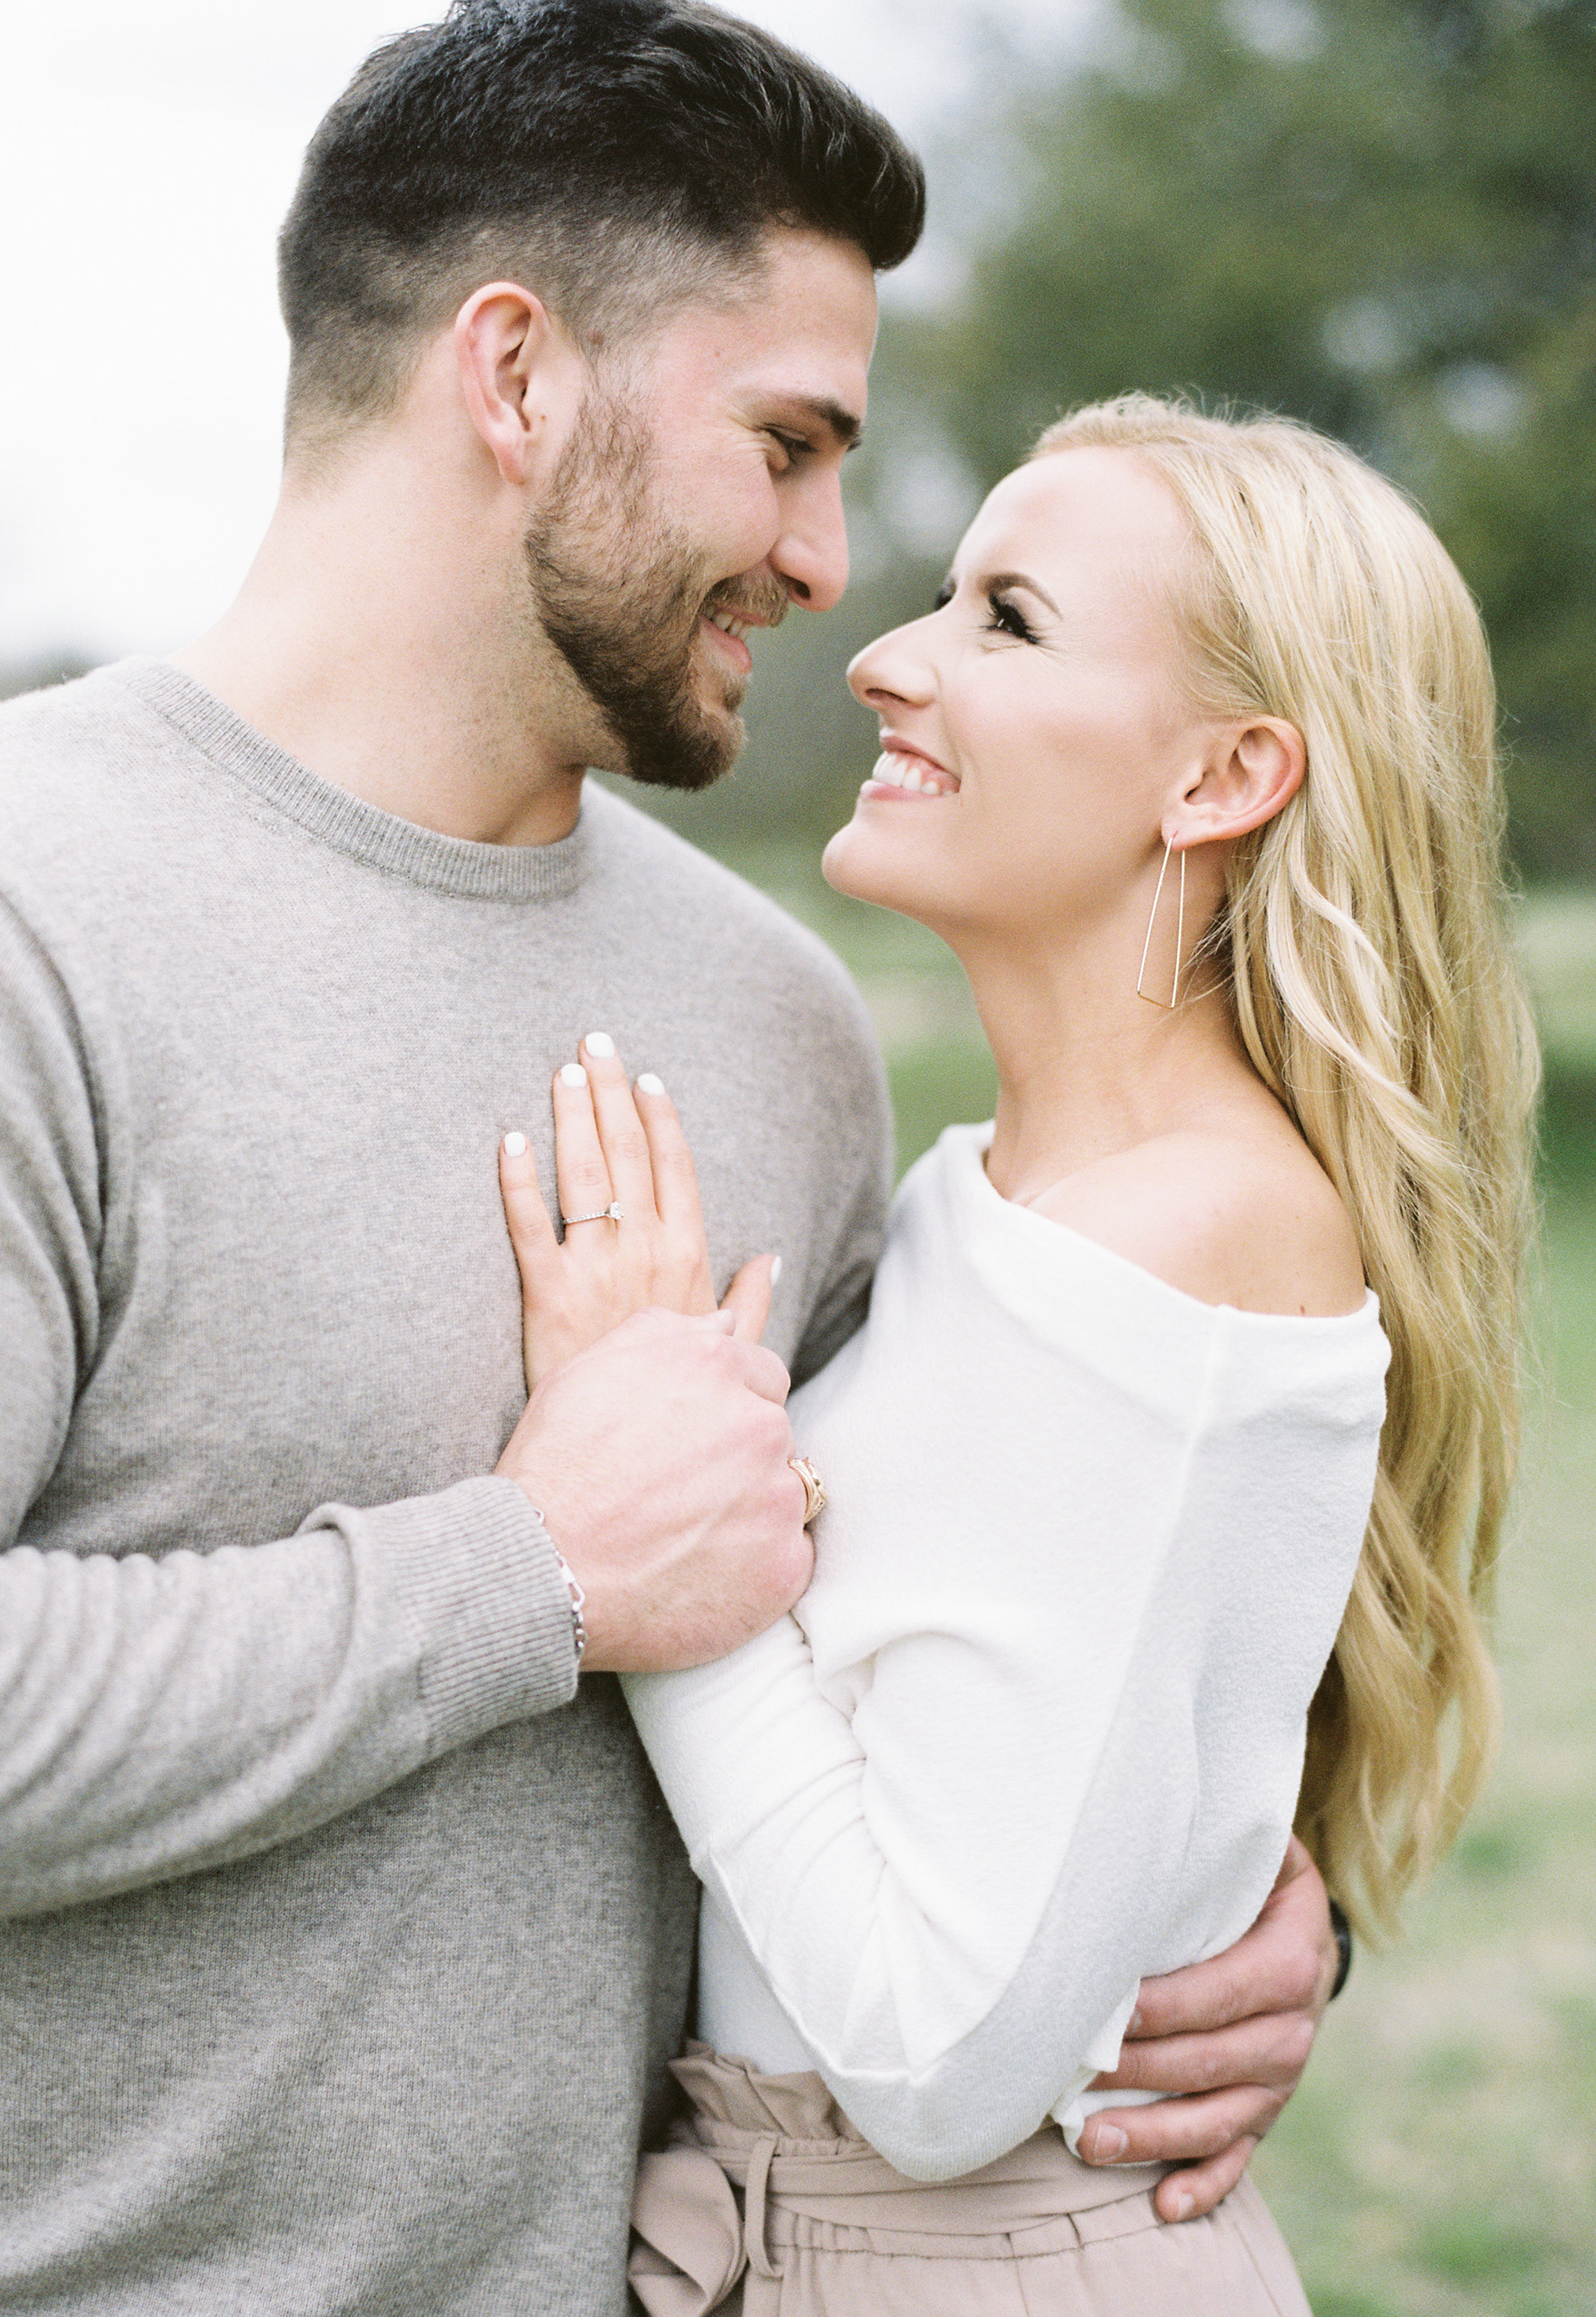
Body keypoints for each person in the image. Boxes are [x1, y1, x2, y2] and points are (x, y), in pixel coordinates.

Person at [0, 9, 1335, 2311]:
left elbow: (911, 1660)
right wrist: (526, 1571)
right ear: (517, 377)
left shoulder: (778, 1019)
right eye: (786, 446)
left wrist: (1232, 1893)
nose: (833, 566)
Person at [498, 396, 1538, 2311]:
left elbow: (929, 2058)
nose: (889, 654)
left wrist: (658, 1558)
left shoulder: (1174, 1250)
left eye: (1008, 619)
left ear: (1222, 774)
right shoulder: (998, 1198)